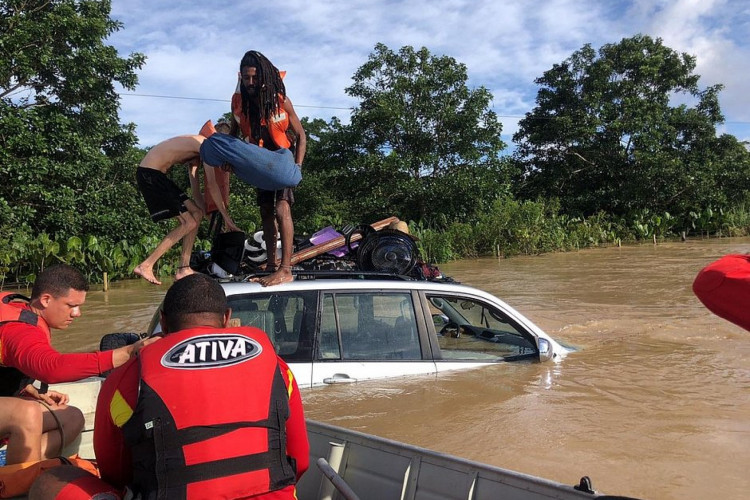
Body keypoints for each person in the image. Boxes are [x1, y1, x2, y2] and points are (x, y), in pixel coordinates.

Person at [94, 273, 309, 499]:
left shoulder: (124, 380)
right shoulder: (279, 369)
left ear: (164, 322)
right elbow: (301, 460)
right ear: (226, 318)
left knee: (61, 477)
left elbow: (114, 474)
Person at [0, 264, 152, 465]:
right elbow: (51, 367)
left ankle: (9, 462)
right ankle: (17, 481)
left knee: (72, 418)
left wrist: (26, 388)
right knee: (27, 413)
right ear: (46, 300)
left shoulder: (24, 311)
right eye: (71, 306)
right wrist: (127, 352)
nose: (77, 313)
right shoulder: (19, 331)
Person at [230, 50, 307, 286]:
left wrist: (297, 167)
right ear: (241, 78)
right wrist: (229, 160)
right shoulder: (240, 104)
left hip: (283, 162)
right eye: (246, 78)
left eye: (254, 77)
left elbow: (302, 136)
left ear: (263, 76)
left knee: (282, 209)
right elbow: (233, 138)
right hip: (261, 162)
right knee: (265, 212)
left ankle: (285, 269)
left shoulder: (281, 101)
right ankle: (272, 264)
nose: (250, 82)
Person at [133, 134, 213, 285]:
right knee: (188, 223)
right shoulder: (204, 144)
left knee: (196, 214)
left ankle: (184, 268)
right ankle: (146, 265)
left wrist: (212, 220)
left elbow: (196, 193)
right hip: (150, 174)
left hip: (159, 176)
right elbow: (213, 187)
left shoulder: (197, 153)